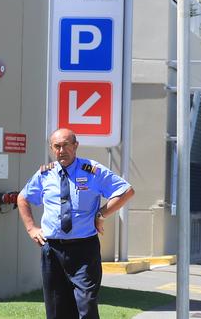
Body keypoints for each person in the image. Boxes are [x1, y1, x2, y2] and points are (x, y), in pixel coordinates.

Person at [17, 128, 135, 319]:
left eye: (65, 145)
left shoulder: (92, 170)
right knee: (56, 309)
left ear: (75, 146)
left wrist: (101, 214)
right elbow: (23, 198)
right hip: (52, 250)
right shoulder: (45, 174)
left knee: (86, 305)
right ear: (51, 148)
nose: (61, 150)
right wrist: (31, 228)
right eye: (57, 146)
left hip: (84, 249)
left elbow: (126, 191)